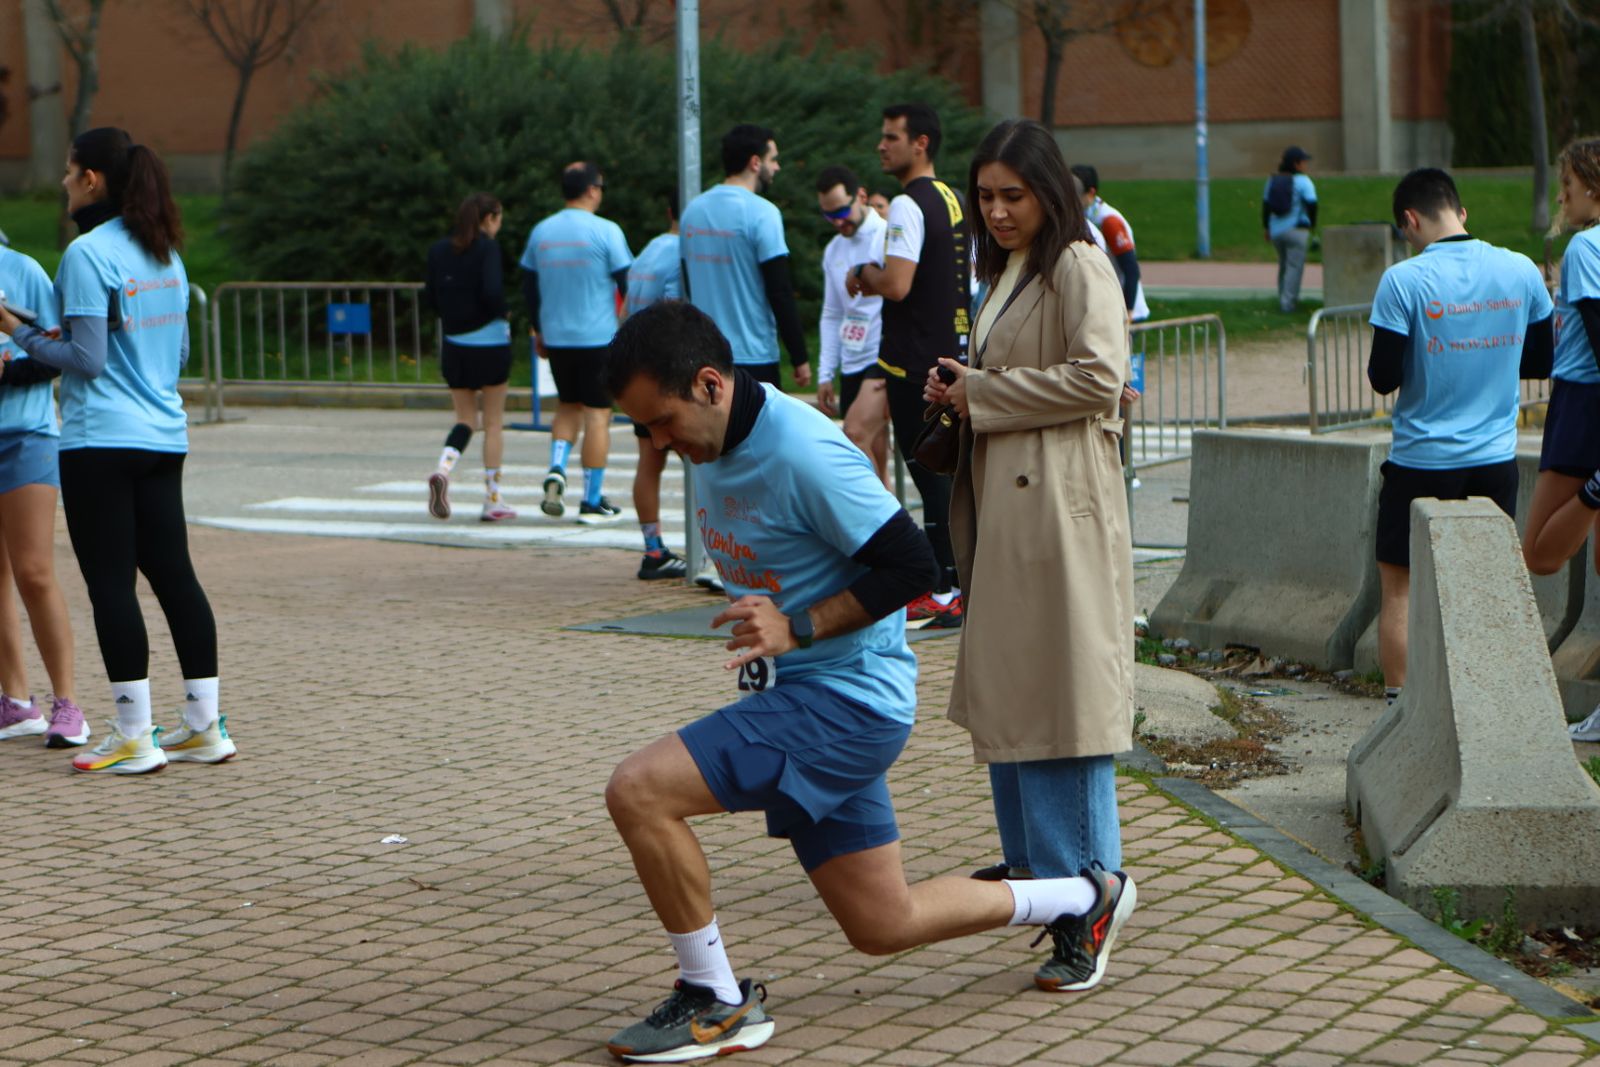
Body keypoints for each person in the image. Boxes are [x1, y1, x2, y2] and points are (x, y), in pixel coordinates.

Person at [600, 300, 1137, 1064]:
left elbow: (913, 565)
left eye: (660, 422)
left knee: (640, 790)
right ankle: (1086, 896)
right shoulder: (714, 443)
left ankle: (716, 997)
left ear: (711, 385)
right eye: (640, 429)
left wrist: (800, 626)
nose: (655, 443)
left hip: (844, 704)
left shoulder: (805, 453)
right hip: (810, 700)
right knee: (884, 923)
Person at [923, 118, 1136, 986]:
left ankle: (1083, 893)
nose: (998, 210)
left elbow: (1098, 378)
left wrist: (983, 391)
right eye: (985, 196)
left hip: (1058, 510)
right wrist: (964, 390)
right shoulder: (1008, 267)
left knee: (1061, 705)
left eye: (1013, 194)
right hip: (1016, 506)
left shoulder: (1079, 262)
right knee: (1021, 700)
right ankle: (1045, 876)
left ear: (1048, 190)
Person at [0, 128, 231, 774]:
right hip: (164, 435)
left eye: (69, 172)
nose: (63, 184)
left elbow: (87, 359)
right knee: (175, 575)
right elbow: (176, 353)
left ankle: (133, 732)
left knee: (110, 584)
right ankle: (204, 725)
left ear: (92, 179)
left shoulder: (86, 253)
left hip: (100, 439)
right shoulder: (165, 251)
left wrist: (15, 329)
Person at [1367, 168, 1553, 704]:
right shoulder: (1519, 269)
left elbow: (1384, 377)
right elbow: (1540, 359)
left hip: (1420, 460)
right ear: (1461, 212)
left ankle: (1400, 709)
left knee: (1399, 587)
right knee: (1488, 585)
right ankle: (1489, 703)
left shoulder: (1404, 280)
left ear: (1410, 220)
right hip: (1493, 461)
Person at [846, 102, 969, 629]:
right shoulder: (954, 197)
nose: (881, 145)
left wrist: (863, 273)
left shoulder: (906, 203)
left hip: (916, 363)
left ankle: (946, 586)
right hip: (952, 350)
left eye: (891, 137)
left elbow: (896, 282)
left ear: (920, 143)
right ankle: (944, 579)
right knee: (940, 471)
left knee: (931, 474)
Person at [1519, 137, 1600, 740]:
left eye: (1568, 181)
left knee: (1540, 554)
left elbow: (1596, 330)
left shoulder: (1586, 247)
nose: (1563, 192)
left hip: (1582, 403)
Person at [0, 240, 85, 749]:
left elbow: (58, 355)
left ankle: (68, 703)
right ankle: (15, 701)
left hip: (24, 435)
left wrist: (8, 370)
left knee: (33, 572)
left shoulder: (22, 270)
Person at [521, 161, 632, 524]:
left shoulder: (541, 232)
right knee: (598, 415)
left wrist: (538, 330)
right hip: (598, 337)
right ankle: (591, 499)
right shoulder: (607, 231)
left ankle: (556, 467)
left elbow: (529, 287)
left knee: (567, 406)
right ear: (592, 190)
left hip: (557, 338)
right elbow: (628, 284)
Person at [679, 124, 810, 391]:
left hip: (704, 355)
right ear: (755, 162)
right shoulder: (763, 213)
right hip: (754, 356)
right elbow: (780, 291)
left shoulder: (692, 212)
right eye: (773, 160)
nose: (777, 167)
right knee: (757, 432)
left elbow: (687, 285)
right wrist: (800, 357)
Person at [423, 192, 515, 523]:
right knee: (492, 423)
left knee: (464, 420)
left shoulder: (438, 250)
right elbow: (492, 290)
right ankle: (493, 499)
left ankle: (443, 469)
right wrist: (504, 312)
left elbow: (430, 295)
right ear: (489, 218)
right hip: (490, 344)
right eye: (499, 217)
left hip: (455, 344)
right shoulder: (488, 248)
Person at [625, 189, 688, 580]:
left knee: (650, 461)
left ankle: (653, 550)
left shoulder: (649, 249)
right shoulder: (684, 253)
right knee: (706, 464)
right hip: (665, 374)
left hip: (633, 368)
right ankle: (716, 553)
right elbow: (676, 318)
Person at [815, 165, 891, 487]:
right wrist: (824, 372)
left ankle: (884, 522)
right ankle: (889, 516)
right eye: (828, 215)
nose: (838, 222)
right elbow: (833, 313)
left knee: (855, 435)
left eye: (843, 211)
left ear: (861, 196)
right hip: (852, 358)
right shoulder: (833, 249)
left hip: (884, 354)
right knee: (871, 448)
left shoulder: (887, 235)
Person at [1070, 165, 1149, 324]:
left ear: (1091, 193)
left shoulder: (1109, 221)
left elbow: (1131, 269)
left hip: (1125, 309)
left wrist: (1128, 310)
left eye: (1075, 192)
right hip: (1111, 303)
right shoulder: (1088, 217)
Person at [1264, 146, 1318, 313]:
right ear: (1296, 164)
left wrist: (1266, 227)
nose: (1305, 164)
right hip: (1297, 230)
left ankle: (1282, 297)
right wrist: (1312, 225)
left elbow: (1265, 206)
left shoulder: (1272, 180)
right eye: (1303, 161)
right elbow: (1312, 204)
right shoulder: (1304, 181)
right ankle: (1288, 305)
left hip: (1276, 231)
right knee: (1295, 267)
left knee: (1284, 265)